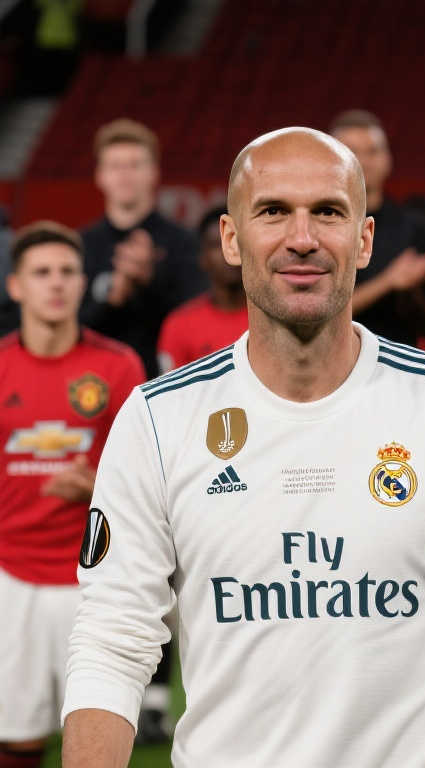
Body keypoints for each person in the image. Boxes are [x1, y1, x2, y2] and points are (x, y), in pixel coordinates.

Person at [61, 127, 425, 768]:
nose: (301, 238)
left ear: (365, 239)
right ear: (231, 239)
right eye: (272, 211)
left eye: (327, 212)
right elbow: (112, 638)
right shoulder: (158, 419)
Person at [0, 221, 143, 768]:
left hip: (94, 580)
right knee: (16, 738)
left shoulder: (118, 366)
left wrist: (97, 487)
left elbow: (142, 477)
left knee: (97, 740)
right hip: (11, 576)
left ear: (84, 282)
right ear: (16, 286)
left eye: (67, 271)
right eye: (42, 273)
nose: (56, 283)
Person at [80, 118, 206, 378]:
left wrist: (150, 280)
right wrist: (113, 299)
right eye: (115, 166)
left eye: (135, 165)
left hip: (168, 382)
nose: (125, 174)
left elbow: (199, 319)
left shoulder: (184, 243)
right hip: (94, 386)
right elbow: (73, 328)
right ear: (100, 175)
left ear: (154, 173)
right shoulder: (81, 245)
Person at [330, 109, 425, 346]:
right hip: (332, 357)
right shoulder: (314, 228)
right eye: (352, 151)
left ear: (388, 159)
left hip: (400, 358)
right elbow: (319, 312)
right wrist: (388, 281)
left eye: (373, 151)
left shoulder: (417, 228)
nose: (364, 161)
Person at [157, 205, 248, 372]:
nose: (229, 251)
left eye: (236, 241)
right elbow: (171, 387)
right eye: (216, 244)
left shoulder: (273, 319)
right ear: (202, 257)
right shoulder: (179, 325)